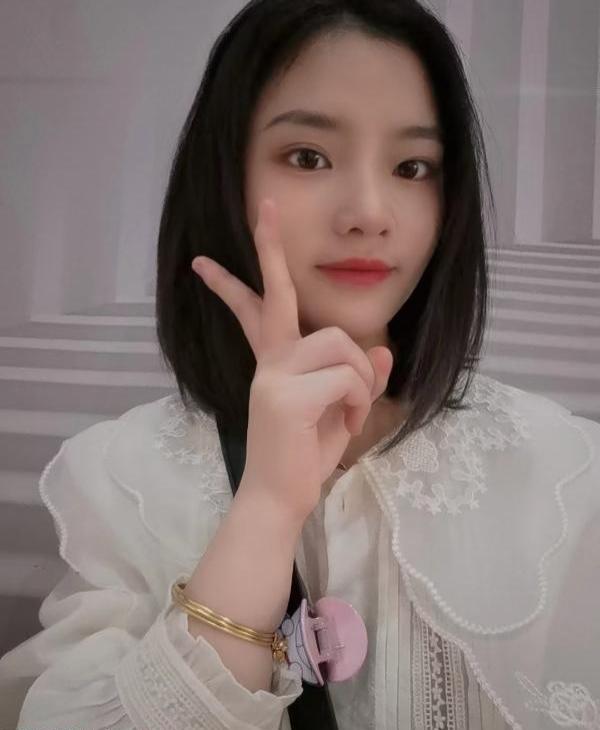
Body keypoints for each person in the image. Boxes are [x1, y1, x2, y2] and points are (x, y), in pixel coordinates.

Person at [1, 0, 599, 728]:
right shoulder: (122, 478)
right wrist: (265, 510)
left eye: (412, 167)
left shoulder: (565, 474)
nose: (369, 211)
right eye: (309, 157)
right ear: (225, 175)